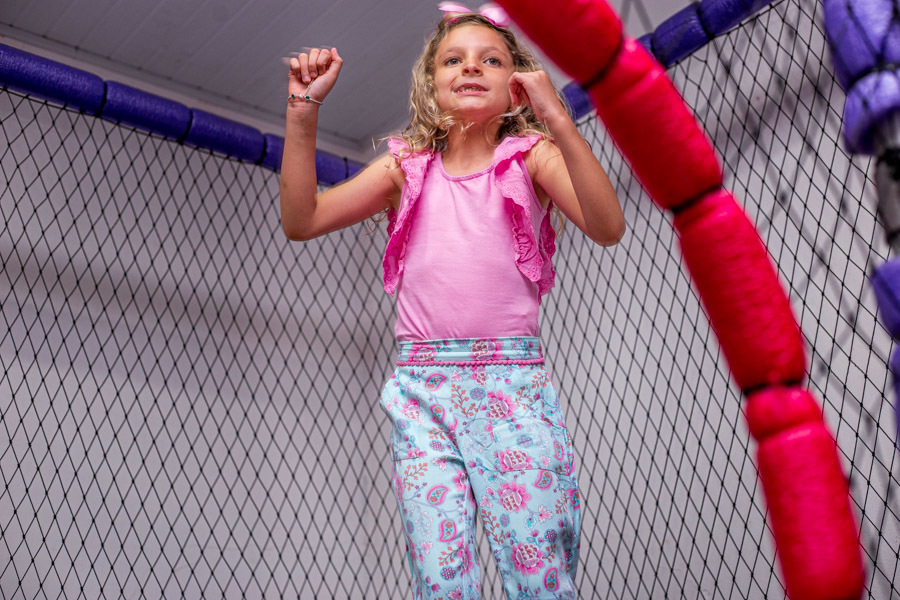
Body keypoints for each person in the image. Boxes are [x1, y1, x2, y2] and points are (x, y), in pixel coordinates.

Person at [280, 3, 624, 598]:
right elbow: (302, 219)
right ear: (431, 84)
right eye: (454, 59)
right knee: (440, 580)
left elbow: (607, 226)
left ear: (516, 87)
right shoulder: (404, 168)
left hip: (510, 388)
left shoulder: (529, 158)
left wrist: (557, 120)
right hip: (422, 394)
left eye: (491, 59)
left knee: (538, 571)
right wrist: (302, 110)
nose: (471, 67)